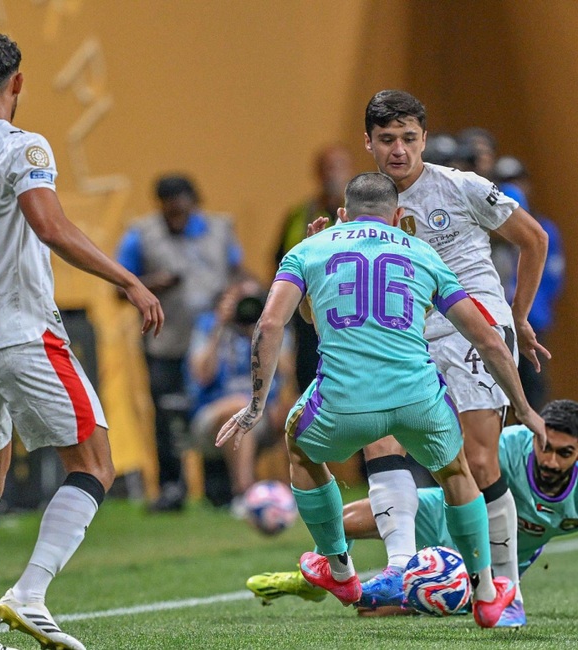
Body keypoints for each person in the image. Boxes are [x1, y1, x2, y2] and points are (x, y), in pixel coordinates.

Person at [0, 32, 163, 650]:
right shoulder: (24, 146)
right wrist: (127, 280)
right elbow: (50, 226)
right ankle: (29, 592)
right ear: (17, 82)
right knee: (94, 464)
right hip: (22, 332)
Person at [214, 172, 548, 628]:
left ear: (344, 214)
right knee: (456, 472)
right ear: (398, 216)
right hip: (418, 401)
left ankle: (339, 569)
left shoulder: (308, 250)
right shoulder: (424, 253)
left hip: (343, 402)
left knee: (300, 448)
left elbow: (271, 325)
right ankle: (487, 593)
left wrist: (255, 405)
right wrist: (524, 408)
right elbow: (488, 338)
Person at [246, 400, 578, 622]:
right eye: (545, 446)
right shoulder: (507, 445)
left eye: (564, 453)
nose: (550, 460)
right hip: (444, 514)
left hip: (484, 569)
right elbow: (453, 466)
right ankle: (316, 574)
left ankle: (356, 586)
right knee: (343, 522)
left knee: (370, 611)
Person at [344, 90, 550, 627]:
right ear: (368, 142)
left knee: (479, 461)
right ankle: (401, 569)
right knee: (379, 436)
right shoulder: (365, 203)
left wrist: (519, 316)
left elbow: (534, 239)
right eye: (386, 139)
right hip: (408, 333)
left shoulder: (461, 186)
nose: (398, 150)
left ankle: (506, 591)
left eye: (408, 138)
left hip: (473, 327)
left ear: (424, 139)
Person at [116, 174, 243, 512]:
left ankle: (220, 489)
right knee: (168, 416)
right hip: (165, 342)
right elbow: (119, 288)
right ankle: (172, 488)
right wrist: (154, 284)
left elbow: (237, 272)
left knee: (216, 407)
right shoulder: (141, 234)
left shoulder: (219, 229)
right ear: (160, 206)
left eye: (183, 210)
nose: (177, 217)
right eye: (170, 211)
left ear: (194, 202)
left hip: (214, 342)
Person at [186, 278, 292, 509]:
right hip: (211, 417)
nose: (247, 307)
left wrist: (259, 332)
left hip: (263, 414)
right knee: (240, 406)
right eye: (241, 301)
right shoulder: (207, 325)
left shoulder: (272, 325)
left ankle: (296, 492)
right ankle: (244, 493)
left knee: (296, 413)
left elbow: (286, 370)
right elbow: (202, 375)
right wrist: (220, 326)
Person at [274, 145, 353, 392]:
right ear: (317, 173)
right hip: (307, 320)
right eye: (327, 168)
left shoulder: (361, 216)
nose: (332, 174)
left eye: (338, 167)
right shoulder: (299, 215)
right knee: (308, 383)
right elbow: (279, 263)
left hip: (350, 315)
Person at [493, 155, 565, 410]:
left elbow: (553, 277)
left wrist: (532, 306)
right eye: (505, 182)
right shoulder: (490, 232)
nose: (513, 188)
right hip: (495, 321)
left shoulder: (543, 229)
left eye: (517, 181)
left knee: (534, 386)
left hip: (531, 318)